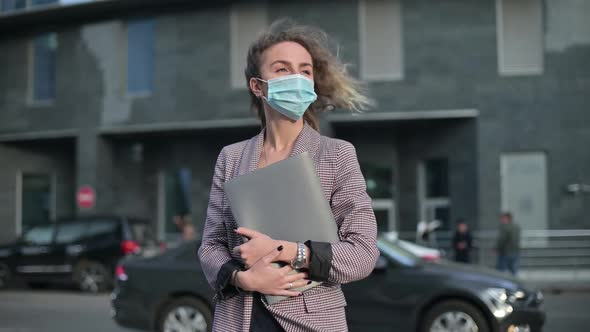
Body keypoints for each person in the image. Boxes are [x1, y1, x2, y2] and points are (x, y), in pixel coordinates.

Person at [198, 20, 379, 332]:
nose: (296, 77)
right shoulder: (231, 157)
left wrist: (286, 251)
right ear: (258, 86)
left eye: (305, 70)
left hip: (313, 320)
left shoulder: (337, 155)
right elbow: (211, 245)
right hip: (239, 320)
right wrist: (242, 278)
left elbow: (362, 254)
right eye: (282, 69)